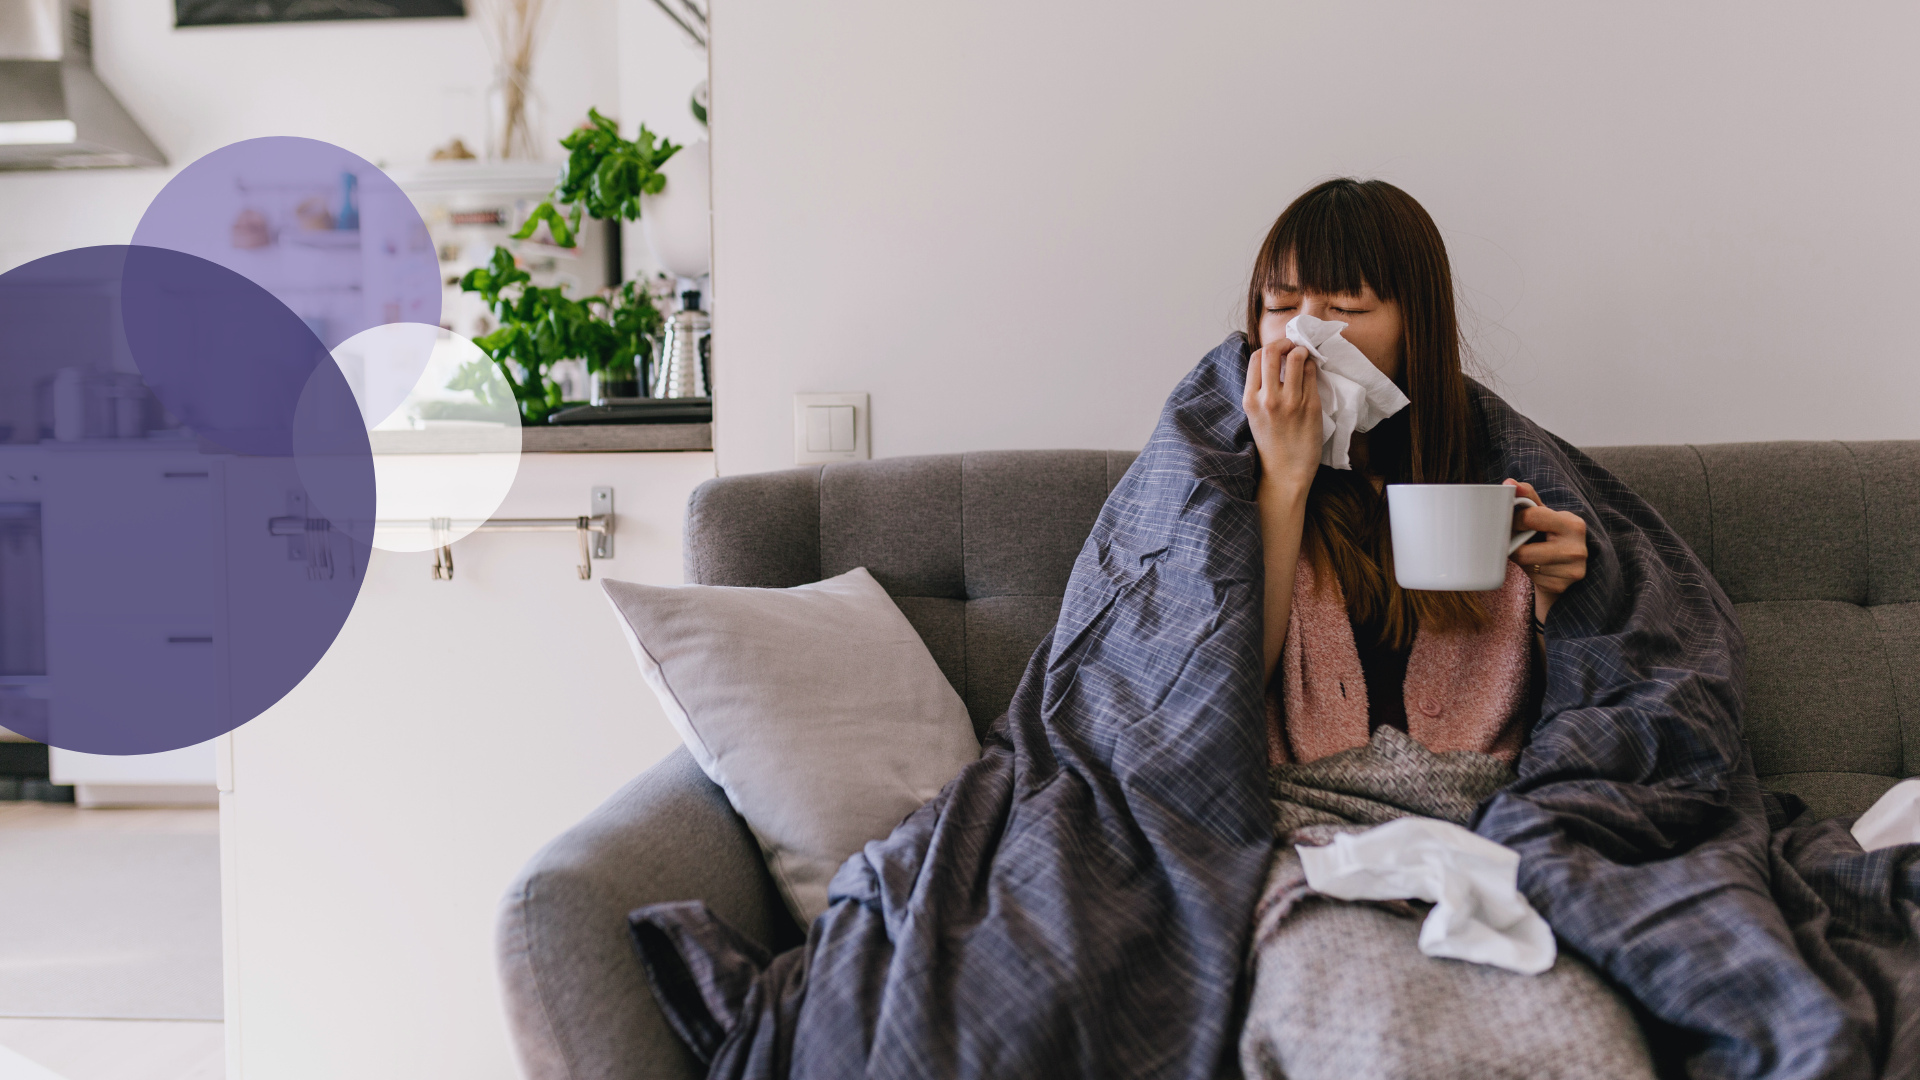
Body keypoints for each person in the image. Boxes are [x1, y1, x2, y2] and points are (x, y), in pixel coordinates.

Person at [1240, 178, 1589, 763]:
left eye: (1346, 306)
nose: (1302, 333)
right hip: (1304, 812)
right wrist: (1283, 478)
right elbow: (1213, 693)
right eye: (1279, 306)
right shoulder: (1220, 474)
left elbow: (1576, 716)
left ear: (1416, 323)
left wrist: (1557, 604)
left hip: (1481, 808)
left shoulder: (1495, 466)